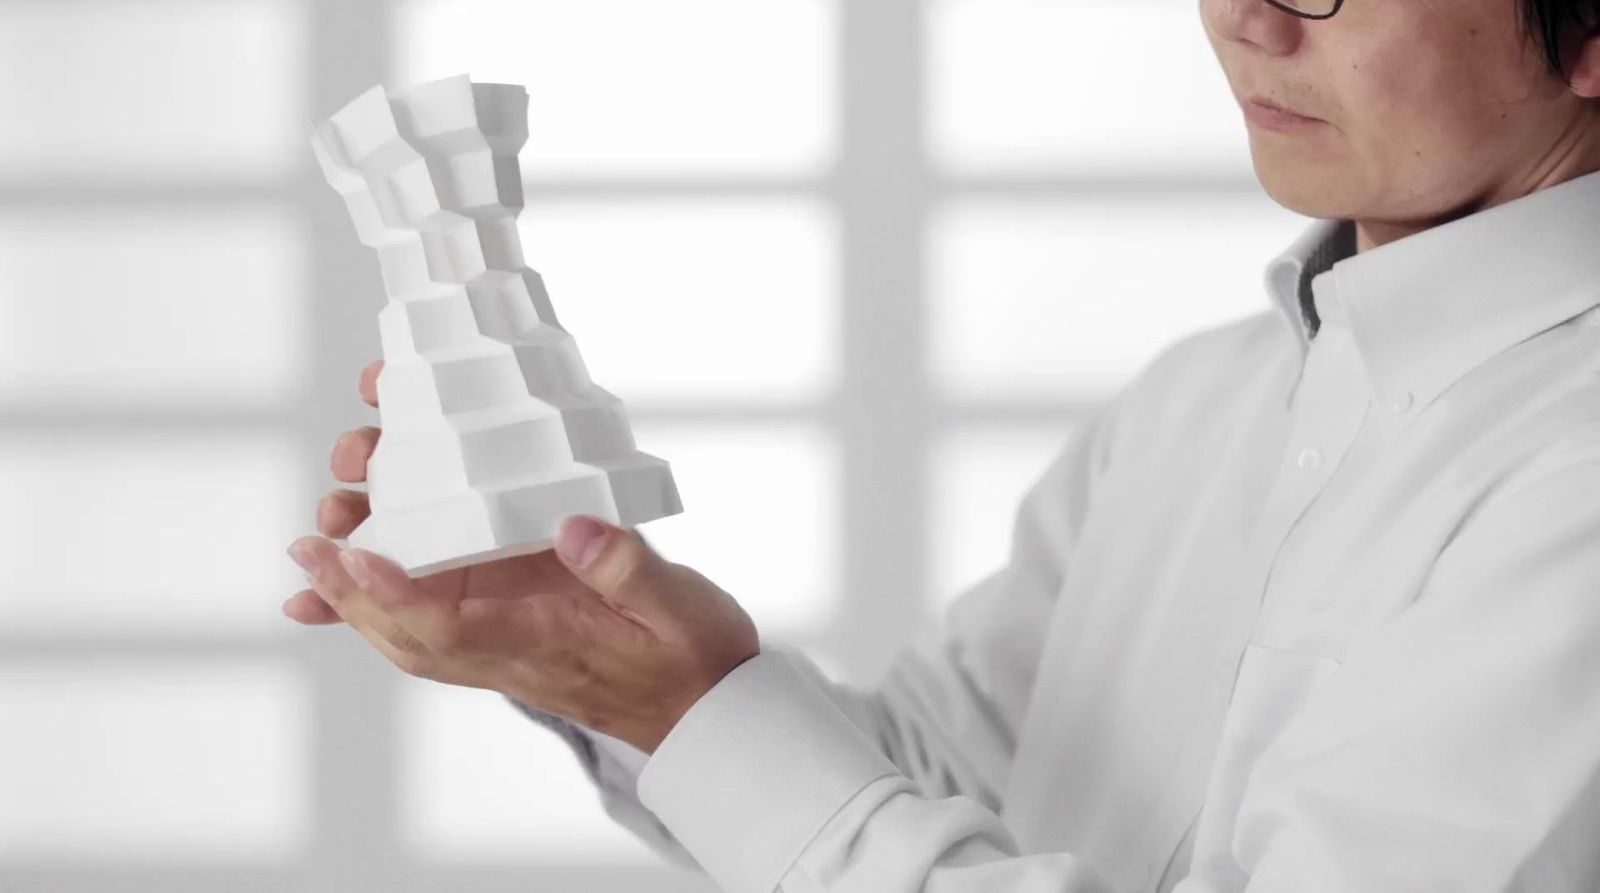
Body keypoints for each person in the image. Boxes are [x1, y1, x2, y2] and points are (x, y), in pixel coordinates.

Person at [283, 0, 1600, 888]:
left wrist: (693, 712)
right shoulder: (1200, 402)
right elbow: (948, 779)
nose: (1247, 20)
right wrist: (600, 660)